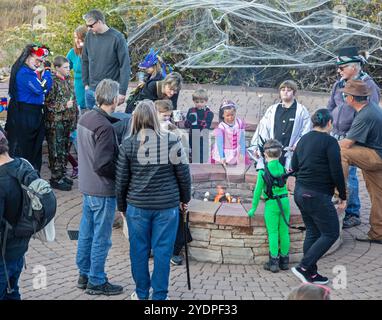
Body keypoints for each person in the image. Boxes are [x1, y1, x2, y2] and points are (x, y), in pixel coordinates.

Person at [115, 100, 191, 300]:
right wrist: (185, 199)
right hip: (166, 207)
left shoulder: (128, 144)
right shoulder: (171, 140)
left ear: (135, 119)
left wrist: (121, 206)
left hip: (138, 207)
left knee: (138, 251)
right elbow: (184, 174)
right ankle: (159, 296)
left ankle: (141, 293)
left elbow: (121, 180)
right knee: (163, 252)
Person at [76, 79, 123, 296]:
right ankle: (96, 279)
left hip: (87, 186)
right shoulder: (104, 127)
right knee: (101, 238)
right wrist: (122, 174)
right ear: (114, 99)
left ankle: (84, 274)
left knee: (86, 233)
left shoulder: (86, 117)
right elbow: (103, 164)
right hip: (102, 189)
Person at [291, 109, 347, 284]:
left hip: (300, 193)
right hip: (317, 195)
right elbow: (336, 171)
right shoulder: (330, 142)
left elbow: (294, 166)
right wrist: (343, 196)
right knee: (331, 232)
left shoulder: (303, 139)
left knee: (313, 232)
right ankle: (304, 266)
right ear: (329, 123)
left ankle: (311, 274)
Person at [327, 47, 380, 229]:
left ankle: (352, 212)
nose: (338, 71)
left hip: (353, 137)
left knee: (348, 175)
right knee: (336, 169)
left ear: (354, 67)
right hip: (336, 133)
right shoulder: (338, 84)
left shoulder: (367, 85)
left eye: (342, 68)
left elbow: (368, 115)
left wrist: (354, 137)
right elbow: (330, 106)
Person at [338, 80, 382, 244]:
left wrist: (325, 144)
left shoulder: (365, 115)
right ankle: (378, 233)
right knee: (379, 196)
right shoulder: (370, 109)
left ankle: (339, 193)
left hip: (376, 156)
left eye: (346, 94)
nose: (344, 96)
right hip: (377, 154)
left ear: (351, 98)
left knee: (340, 152)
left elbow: (348, 144)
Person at [154, 99, 192, 266]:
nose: (167, 120)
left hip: (171, 181)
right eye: (164, 117)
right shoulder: (148, 132)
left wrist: (176, 130)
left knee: (175, 218)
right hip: (156, 183)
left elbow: (183, 158)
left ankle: (173, 250)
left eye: (169, 116)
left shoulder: (173, 131)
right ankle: (155, 248)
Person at [5, 44, 52, 172]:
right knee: (24, 148)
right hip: (24, 114)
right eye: (37, 60)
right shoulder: (24, 72)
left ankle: (31, 175)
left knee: (33, 148)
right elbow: (41, 88)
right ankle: (24, 177)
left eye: (41, 61)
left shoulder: (28, 71)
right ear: (27, 57)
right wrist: (47, 71)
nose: (39, 64)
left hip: (31, 113)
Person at [247, 139, 290, 273]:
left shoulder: (262, 172)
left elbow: (257, 192)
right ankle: (284, 262)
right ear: (280, 154)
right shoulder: (283, 169)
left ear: (265, 155)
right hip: (285, 202)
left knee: (273, 232)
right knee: (284, 231)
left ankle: (273, 263)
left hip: (272, 204)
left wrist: (253, 208)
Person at [249, 80, 311, 171]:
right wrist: (257, 147)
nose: (285, 92)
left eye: (289, 90)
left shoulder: (301, 111)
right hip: (272, 153)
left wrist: (298, 144)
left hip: (290, 153)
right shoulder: (272, 109)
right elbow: (263, 129)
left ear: (294, 93)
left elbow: (306, 130)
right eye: (283, 89)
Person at [0, 132, 30, 299]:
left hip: (3, 256)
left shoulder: (2, 181)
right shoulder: (23, 166)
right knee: (12, 291)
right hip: (19, 248)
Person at [82, 9, 130, 109]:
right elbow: (85, 61)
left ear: (99, 22)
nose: (88, 28)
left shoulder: (117, 37)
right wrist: (86, 84)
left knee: (104, 123)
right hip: (91, 90)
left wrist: (122, 91)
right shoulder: (89, 36)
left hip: (108, 92)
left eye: (91, 25)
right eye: (87, 26)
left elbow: (124, 66)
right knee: (90, 122)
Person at [44, 56, 78, 191]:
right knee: (56, 151)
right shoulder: (52, 82)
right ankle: (55, 178)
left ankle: (62, 175)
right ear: (57, 68)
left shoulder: (69, 80)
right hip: (55, 123)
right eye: (65, 67)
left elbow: (73, 101)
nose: (68, 69)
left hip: (68, 121)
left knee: (64, 150)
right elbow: (47, 104)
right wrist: (64, 105)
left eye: (69, 67)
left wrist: (75, 119)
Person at [211, 99, 249, 166]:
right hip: (224, 153)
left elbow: (242, 139)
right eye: (227, 115)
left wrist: (242, 153)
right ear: (223, 115)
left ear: (235, 113)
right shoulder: (221, 127)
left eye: (232, 115)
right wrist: (222, 157)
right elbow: (220, 144)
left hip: (237, 151)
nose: (230, 117)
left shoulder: (239, 123)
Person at [184, 88, 214, 163]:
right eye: (197, 102)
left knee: (202, 153)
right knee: (193, 151)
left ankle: (201, 166)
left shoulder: (209, 113)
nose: (199, 104)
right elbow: (186, 125)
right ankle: (194, 164)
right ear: (193, 101)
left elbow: (207, 125)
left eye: (202, 102)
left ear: (206, 101)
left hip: (202, 136)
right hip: (193, 135)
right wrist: (189, 120)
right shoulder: (191, 110)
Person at [66, 25, 87, 111]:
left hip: (91, 90)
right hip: (78, 90)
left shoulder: (93, 52)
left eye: (80, 38)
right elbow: (63, 69)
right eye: (75, 37)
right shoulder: (72, 52)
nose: (77, 41)